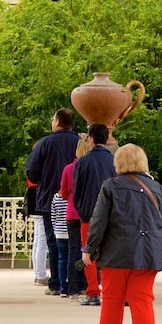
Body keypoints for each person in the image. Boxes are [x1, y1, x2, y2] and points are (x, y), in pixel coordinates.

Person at [83, 143, 162, 324]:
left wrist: (89, 248)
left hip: (116, 253)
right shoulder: (156, 187)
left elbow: (99, 221)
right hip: (149, 252)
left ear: (118, 162)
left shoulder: (111, 186)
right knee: (143, 300)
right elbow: (161, 218)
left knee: (112, 300)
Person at [26, 109, 81, 295]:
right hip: (76, 201)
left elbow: (31, 170)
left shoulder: (45, 142)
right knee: (76, 243)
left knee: (53, 242)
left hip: (50, 199)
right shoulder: (79, 142)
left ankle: (56, 282)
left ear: (57, 121)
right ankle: (77, 282)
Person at [71, 123, 116, 306]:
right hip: (111, 216)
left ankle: (92, 292)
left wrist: (81, 208)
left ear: (90, 138)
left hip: (88, 214)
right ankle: (109, 290)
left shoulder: (82, 161)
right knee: (109, 254)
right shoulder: (113, 161)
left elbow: (77, 190)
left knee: (87, 253)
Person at [60, 134, 93, 301]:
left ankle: (72, 287)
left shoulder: (68, 169)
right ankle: (88, 284)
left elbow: (64, 192)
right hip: (88, 213)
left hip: (72, 213)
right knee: (90, 249)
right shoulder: (91, 167)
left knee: (73, 250)